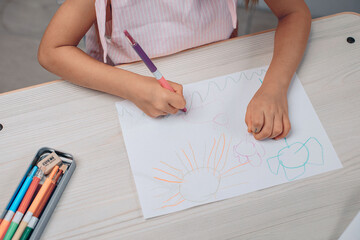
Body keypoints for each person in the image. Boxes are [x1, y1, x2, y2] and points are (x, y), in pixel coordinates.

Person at [38, 0, 311, 140]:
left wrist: (274, 88)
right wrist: (132, 86)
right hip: (127, 98)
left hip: (219, 82)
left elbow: (294, 13)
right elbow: (52, 51)